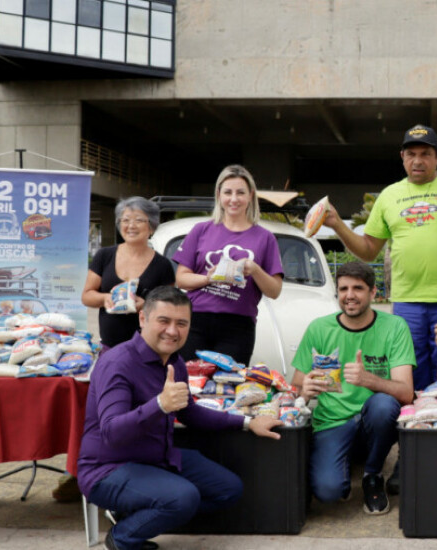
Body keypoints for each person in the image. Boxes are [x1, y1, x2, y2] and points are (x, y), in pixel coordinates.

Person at [78, 285, 282, 550]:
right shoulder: (118, 363)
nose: (172, 331)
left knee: (228, 489)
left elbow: (190, 413)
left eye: (181, 323)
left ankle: (141, 511)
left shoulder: (174, 362)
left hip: (155, 458)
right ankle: (123, 537)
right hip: (107, 469)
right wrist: (160, 405)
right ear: (143, 318)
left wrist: (247, 422)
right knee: (183, 498)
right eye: (164, 321)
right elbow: (111, 433)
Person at [322, 125, 437, 391]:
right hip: (406, 301)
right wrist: (337, 225)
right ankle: (415, 429)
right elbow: (369, 250)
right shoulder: (390, 195)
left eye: (426, 153)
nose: (418, 160)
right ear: (402, 157)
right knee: (409, 372)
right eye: (411, 153)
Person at [292, 262, 415, 515]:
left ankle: (373, 474)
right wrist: (305, 391)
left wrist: (369, 380)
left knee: (384, 405)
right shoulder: (319, 328)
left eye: (358, 288)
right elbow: (295, 388)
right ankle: (343, 462)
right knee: (328, 492)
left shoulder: (395, 327)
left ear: (373, 293)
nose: (350, 295)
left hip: (375, 421)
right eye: (343, 288)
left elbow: (406, 393)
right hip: (333, 422)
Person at [172, 165, 284, 366]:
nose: (234, 199)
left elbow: (275, 291)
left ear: (250, 196)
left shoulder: (265, 238)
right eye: (228, 192)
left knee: (228, 387)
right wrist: (209, 277)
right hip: (195, 319)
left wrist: (255, 269)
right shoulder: (201, 230)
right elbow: (181, 279)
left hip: (238, 326)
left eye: (240, 192)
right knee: (190, 384)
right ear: (219, 195)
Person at [82, 196, 176, 352]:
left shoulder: (162, 265)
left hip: (148, 347)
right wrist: (106, 298)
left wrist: (146, 306)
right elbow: (87, 296)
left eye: (139, 220)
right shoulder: (104, 256)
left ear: (151, 226)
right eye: (125, 220)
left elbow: (169, 307)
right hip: (109, 347)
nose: (131, 226)